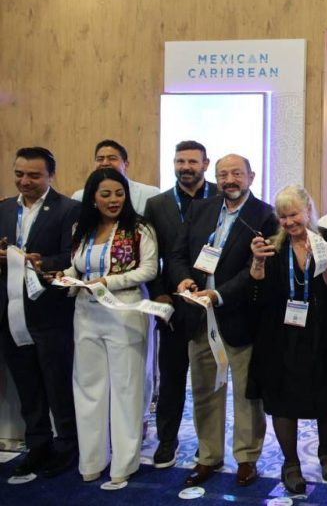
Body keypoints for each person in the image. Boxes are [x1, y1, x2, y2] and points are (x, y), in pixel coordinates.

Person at [167, 154, 277, 488]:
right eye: (223, 174)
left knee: (246, 393)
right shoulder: (200, 209)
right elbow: (177, 254)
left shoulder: (265, 215)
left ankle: (246, 458)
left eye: (237, 174)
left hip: (240, 317)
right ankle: (208, 456)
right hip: (198, 315)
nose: (230, 180)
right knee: (204, 389)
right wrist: (184, 280)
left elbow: (255, 269)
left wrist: (219, 294)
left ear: (251, 177)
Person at [59, 168, 158, 488]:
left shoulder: (140, 228)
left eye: (119, 193)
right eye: (106, 194)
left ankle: (124, 463)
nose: (114, 200)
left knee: (127, 389)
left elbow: (149, 269)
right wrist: (64, 277)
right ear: (93, 198)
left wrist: (108, 282)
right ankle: (92, 460)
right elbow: (77, 266)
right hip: (86, 314)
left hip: (125, 312)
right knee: (88, 388)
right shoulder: (81, 229)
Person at [247, 185, 327, 494]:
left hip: (324, 328)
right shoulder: (273, 246)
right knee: (283, 398)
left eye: (294, 215)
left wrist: (324, 256)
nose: (289, 222)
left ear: (308, 210)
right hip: (281, 332)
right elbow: (259, 292)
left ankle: (326, 454)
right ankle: (291, 464)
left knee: (326, 393)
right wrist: (257, 263)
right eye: (283, 217)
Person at [0, 147, 79, 479]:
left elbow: (72, 256)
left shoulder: (68, 210)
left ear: (50, 175)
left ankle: (67, 445)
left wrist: (39, 262)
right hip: (10, 312)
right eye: (19, 174)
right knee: (27, 384)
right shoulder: (4, 208)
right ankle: (37, 445)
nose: (25, 181)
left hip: (51, 313)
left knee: (57, 384)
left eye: (34, 175)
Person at [142, 140, 217, 468]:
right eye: (180, 161)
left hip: (212, 303)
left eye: (192, 162)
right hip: (172, 304)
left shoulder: (221, 197)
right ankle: (166, 441)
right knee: (171, 378)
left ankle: (208, 444)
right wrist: (159, 295)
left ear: (205, 164)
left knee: (209, 383)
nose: (185, 167)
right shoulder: (157, 205)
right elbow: (151, 256)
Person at [71, 139, 160, 216]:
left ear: (126, 164)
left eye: (112, 158)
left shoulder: (150, 194)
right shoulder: (79, 197)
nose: (105, 163)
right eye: (100, 159)